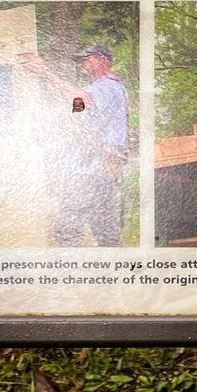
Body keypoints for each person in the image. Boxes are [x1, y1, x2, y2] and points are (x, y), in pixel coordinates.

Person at [24, 43, 131, 246]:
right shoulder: (97, 89)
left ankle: (78, 273)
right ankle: (118, 269)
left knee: (66, 228)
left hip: (93, 169)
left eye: (86, 58)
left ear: (102, 60)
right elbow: (76, 110)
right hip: (97, 170)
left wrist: (44, 73)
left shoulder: (108, 86)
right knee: (103, 228)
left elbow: (80, 99)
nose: (82, 63)